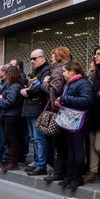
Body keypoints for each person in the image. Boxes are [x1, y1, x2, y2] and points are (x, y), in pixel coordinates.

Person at [55, 60, 92, 191]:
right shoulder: (69, 84)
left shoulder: (83, 83)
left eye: (64, 71)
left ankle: (77, 178)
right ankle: (69, 177)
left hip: (79, 123)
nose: (63, 74)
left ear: (72, 71)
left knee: (77, 149)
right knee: (70, 149)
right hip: (69, 121)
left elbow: (85, 101)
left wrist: (64, 99)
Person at [41, 47, 71, 182]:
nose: (51, 58)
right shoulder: (61, 69)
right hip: (63, 110)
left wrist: (44, 83)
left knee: (59, 143)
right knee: (62, 143)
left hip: (58, 111)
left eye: (52, 55)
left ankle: (59, 172)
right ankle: (61, 171)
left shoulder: (58, 70)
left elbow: (54, 90)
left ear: (58, 57)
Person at [20, 49, 51, 176]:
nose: (32, 61)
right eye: (31, 59)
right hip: (31, 108)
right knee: (34, 138)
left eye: (35, 58)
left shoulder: (46, 70)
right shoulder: (36, 71)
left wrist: (27, 92)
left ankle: (41, 165)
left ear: (42, 58)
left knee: (39, 138)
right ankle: (37, 162)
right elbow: (33, 86)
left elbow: (41, 89)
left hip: (38, 108)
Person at [85, 31, 100, 184]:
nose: (95, 56)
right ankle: (93, 172)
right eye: (95, 54)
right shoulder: (96, 73)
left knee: (99, 146)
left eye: (99, 54)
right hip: (93, 112)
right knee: (92, 145)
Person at [0, 65, 24, 171]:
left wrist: (0, 102)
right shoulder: (13, 86)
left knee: (12, 140)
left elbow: (10, 101)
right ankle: (10, 161)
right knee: (9, 139)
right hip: (9, 115)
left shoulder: (14, 86)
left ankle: (13, 162)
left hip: (12, 116)